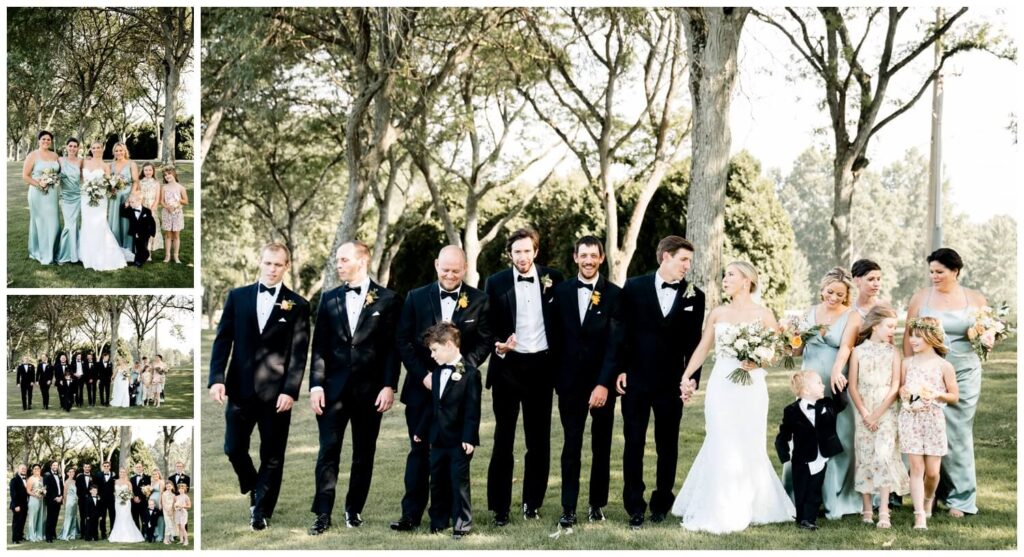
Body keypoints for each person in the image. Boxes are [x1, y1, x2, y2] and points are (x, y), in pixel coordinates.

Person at [672, 261, 795, 534]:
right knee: (720, 436)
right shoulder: (717, 313)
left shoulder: (764, 314)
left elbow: (777, 352)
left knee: (749, 439)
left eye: (730, 275)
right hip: (721, 385)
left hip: (751, 387)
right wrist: (686, 375)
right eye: (724, 275)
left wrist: (759, 361)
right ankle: (719, 503)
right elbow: (703, 347)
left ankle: (752, 502)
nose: (724, 279)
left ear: (747, 280)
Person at [209, 242, 311, 530]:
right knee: (233, 448)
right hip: (239, 389)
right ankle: (253, 484)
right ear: (260, 262)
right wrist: (216, 378)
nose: (272, 269)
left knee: (273, 454)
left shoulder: (299, 305)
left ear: (286, 266)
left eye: (278, 265)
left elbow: (299, 353)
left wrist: (290, 390)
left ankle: (261, 511)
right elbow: (222, 340)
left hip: (277, 394)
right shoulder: (237, 297)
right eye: (268, 263)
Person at [391, 245, 492, 532]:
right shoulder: (416, 297)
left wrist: (461, 369)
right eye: (445, 269)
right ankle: (411, 514)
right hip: (422, 389)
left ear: (465, 269)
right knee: (419, 450)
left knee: (454, 455)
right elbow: (402, 340)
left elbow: (485, 340)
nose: (449, 275)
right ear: (436, 265)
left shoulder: (479, 299)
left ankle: (451, 515)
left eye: (455, 271)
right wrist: (424, 375)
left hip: (458, 396)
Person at [308, 241, 402, 534]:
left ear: (362, 262)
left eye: (344, 259)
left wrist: (389, 386)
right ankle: (322, 514)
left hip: (370, 392)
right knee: (328, 452)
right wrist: (315, 386)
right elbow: (319, 346)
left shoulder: (388, 299)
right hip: (332, 391)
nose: (338, 264)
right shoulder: (329, 298)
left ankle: (353, 510)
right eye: (338, 260)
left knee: (364, 452)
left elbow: (391, 350)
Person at [618, 236, 705, 529]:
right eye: (683, 260)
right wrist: (620, 370)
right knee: (634, 443)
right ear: (665, 256)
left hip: (671, 383)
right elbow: (622, 333)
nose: (687, 266)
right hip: (637, 380)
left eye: (689, 261)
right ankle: (634, 505)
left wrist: (691, 380)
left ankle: (662, 502)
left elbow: (695, 344)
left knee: (668, 445)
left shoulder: (696, 295)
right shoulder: (633, 287)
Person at [483, 227, 564, 525]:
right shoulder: (495, 282)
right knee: (503, 439)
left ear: (536, 251)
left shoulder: (554, 278)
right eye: (517, 252)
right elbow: (487, 324)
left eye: (527, 250)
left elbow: (563, 321)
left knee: (538, 441)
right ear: (510, 254)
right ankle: (500, 508)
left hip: (542, 369)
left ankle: (532, 502)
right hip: (508, 368)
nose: (522, 256)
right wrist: (499, 347)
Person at [904, 248, 987, 518]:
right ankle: (931, 491)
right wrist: (910, 371)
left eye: (939, 272)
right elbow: (909, 336)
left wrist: (988, 339)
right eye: (931, 272)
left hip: (964, 370)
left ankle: (961, 499)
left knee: (958, 432)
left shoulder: (974, 298)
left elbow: (985, 333)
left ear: (955, 271)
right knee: (925, 428)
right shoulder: (921, 297)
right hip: (926, 371)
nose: (934, 276)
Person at [547, 235, 624, 527]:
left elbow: (616, 345)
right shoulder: (561, 292)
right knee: (571, 444)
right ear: (575, 258)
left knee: (601, 445)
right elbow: (554, 339)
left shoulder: (615, 295)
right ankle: (568, 507)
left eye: (594, 255)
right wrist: (558, 380)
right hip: (568, 385)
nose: (589, 260)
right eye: (584, 255)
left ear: (602, 258)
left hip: (601, 384)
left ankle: (596, 504)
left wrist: (604, 384)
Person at [790, 267, 862, 519]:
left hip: (835, 381)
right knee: (806, 439)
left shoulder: (852, 316)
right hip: (808, 382)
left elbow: (846, 347)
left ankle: (837, 498)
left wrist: (834, 373)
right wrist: (792, 339)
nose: (834, 297)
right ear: (822, 290)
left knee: (837, 437)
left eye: (840, 294)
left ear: (846, 295)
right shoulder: (808, 313)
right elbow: (796, 351)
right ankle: (805, 496)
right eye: (830, 292)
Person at [848, 305, 910, 528]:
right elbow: (853, 386)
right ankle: (866, 509)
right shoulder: (857, 352)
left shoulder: (893, 352)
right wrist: (865, 413)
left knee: (883, 455)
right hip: (863, 411)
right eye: (890, 327)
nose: (894, 331)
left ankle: (884, 510)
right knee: (865, 455)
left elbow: (895, 386)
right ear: (875, 326)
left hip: (886, 411)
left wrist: (877, 414)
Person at [422, 323, 482, 539]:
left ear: (448, 345)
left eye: (434, 350)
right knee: (437, 481)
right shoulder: (437, 373)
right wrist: (421, 430)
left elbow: (472, 409)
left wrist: (469, 437)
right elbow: (433, 405)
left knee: (458, 482)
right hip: (437, 438)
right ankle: (438, 521)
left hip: (458, 440)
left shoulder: (470, 374)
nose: (431, 355)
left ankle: (462, 524)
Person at [899, 317, 960, 529]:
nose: (913, 340)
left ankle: (927, 501)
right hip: (911, 419)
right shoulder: (907, 363)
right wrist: (904, 393)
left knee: (932, 472)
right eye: (911, 335)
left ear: (931, 337)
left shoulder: (944, 366)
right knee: (916, 468)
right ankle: (919, 516)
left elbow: (954, 396)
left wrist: (937, 394)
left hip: (934, 420)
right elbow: (900, 388)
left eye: (918, 336)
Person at [775, 372, 847, 531]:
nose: (823, 386)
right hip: (801, 459)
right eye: (819, 383)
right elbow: (783, 434)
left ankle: (809, 519)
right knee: (801, 488)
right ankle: (801, 517)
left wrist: (841, 390)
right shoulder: (791, 411)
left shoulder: (827, 404)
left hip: (821, 456)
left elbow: (841, 404)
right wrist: (784, 454)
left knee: (814, 490)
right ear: (806, 391)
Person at [80, 141, 128, 271]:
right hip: (85, 197)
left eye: (98, 147)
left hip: (100, 199)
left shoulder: (105, 166)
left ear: (102, 149)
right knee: (87, 223)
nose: (96, 150)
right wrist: (86, 189)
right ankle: (87, 254)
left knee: (99, 224)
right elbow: (80, 178)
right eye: (94, 147)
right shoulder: (84, 162)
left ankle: (102, 253)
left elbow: (109, 184)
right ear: (91, 149)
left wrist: (113, 187)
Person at [23, 130, 61, 265]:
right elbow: (25, 176)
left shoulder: (55, 155)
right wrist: (39, 184)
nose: (46, 141)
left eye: (48, 139)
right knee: (39, 221)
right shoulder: (32, 155)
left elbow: (60, 172)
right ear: (39, 140)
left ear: (51, 141)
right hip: (37, 193)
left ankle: (53, 250)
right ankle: (39, 250)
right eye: (43, 139)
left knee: (54, 221)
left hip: (52, 194)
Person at [109, 142, 140, 252]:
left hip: (127, 197)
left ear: (125, 151)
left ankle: (128, 248)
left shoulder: (131, 164)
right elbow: (108, 181)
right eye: (116, 151)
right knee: (115, 221)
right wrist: (111, 188)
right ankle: (115, 247)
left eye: (121, 150)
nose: (119, 152)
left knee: (126, 222)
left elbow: (135, 182)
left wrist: (130, 197)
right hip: (114, 197)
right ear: (114, 152)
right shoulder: (111, 165)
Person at [56, 137, 83, 264]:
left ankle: (75, 253)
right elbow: (53, 174)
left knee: (75, 225)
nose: (72, 148)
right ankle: (65, 254)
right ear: (66, 147)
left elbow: (85, 178)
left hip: (78, 196)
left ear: (78, 148)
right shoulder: (60, 160)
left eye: (75, 146)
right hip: (65, 197)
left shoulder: (80, 161)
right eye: (70, 146)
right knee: (69, 225)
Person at [160, 165, 188, 263]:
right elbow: (161, 201)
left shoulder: (181, 188)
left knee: (176, 235)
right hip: (167, 213)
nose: (167, 176)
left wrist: (178, 201)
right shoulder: (164, 188)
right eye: (165, 175)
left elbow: (186, 201)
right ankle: (167, 255)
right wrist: (167, 207)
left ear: (174, 174)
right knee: (168, 235)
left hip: (177, 213)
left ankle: (176, 256)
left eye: (169, 174)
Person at [121, 192, 158, 267]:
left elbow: (152, 223)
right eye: (130, 202)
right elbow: (122, 213)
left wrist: (152, 234)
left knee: (143, 247)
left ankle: (138, 262)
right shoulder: (130, 210)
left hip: (145, 233)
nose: (130, 204)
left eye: (132, 202)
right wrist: (125, 205)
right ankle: (140, 258)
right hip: (135, 233)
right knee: (138, 247)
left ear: (139, 201)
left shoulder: (147, 211)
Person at [109, 467, 144, 543]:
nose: (122, 473)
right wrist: (118, 498)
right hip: (117, 503)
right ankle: (118, 535)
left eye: (123, 472)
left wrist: (124, 499)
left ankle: (128, 535)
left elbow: (131, 493)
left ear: (125, 473)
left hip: (126, 503)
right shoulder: (115, 482)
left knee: (126, 517)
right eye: (121, 472)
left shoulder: (128, 483)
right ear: (119, 473)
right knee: (119, 517)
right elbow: (114, 492)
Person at [138, 161, 163, 256]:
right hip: (142, 206)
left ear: (153, 171)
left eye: (150, 170)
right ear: (143, 171)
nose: (148, 172)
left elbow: (157, 199)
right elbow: (138, 196)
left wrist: (152, 210)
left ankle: (149, 252)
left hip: (152, 208)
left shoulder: (156, 183)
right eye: (146, 170)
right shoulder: (140, 182)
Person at [44, 461, 65, 542]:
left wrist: (61, 496)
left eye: (56, 465)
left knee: (55, 518)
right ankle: (48, 537)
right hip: (51, 500)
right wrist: (55, 497)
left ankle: (53, 533)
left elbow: (61, 487)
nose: (55, 466)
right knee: (50, 518)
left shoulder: (59, 475)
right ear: (51, 466)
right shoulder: (47, 475)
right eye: (54, 465)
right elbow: (47, 488)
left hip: (59, 500)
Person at [97, 461, 117, 539]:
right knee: (102, 517)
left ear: (110, 467)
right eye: (104, 466)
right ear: (102, 467)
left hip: (111, 499)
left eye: (107, 466)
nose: (106, 467)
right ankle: (103, 533)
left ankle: (112, 532)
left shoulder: (114, 475)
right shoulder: (98, 475)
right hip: (101, 500)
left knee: (112, 516)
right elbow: (95, 485)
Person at [26, 464, 47, 542]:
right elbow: (28, 490)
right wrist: (36, 494)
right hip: (34, 500)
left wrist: (43, 492)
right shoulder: (31, 479)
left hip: (42, 501)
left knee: (41, 517)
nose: (36, 470)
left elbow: (44, 488)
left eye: (38, 468)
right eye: (35, 469)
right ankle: (32, 535)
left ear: (40, 469)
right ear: (32, 470)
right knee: (33, 518)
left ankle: (39, 534)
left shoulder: (42, 478)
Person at [75, 463, 97, 536]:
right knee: (82, 517)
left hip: (91, 501)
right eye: (85, 467)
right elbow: (77, 488)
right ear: (83, 468)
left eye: (88, 467)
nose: (87, 468)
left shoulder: (94, 477)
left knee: (91, 516)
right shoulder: (79, 477)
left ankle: (90, 532)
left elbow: (96, 488)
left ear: (90, 468)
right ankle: (82, 533)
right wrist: (80, 496)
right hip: (82, 500)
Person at [59, 466, 80, 540]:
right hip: (69, 501)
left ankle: (73, 532)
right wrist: (64, 503)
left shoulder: (75, 481)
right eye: (70, 472)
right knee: (68, 517)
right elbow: (64, 494)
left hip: (75, 502)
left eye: (73, 472)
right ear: (67, 473)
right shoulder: (66, 482)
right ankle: (65, 534)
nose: (72, 473)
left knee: (74, 517)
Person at [10, 464, 29, 544]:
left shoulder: (27, 480)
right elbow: (13, 494)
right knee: (16, 522)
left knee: (22, 521)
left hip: (25, 505)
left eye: (25, 468)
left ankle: (20, 536)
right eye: (22, 468)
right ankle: (15, 539)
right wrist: (16, 505)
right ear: (18, 470)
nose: (24, 470)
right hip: (17, 505)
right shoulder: (14, 480)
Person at [129, 463, 151, 530]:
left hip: (143, 502)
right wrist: (134, 497)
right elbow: (130, 490)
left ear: (142, 468)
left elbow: (149, 490)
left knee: (144, 518)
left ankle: (144, 533)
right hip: (134, 502)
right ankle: (137, 533)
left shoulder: (148, 478)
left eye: (139, 467)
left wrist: (140, 498)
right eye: (137, 467)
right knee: (135, 518)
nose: (138, 468)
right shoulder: (132, 479)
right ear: (135, 468)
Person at [149, 468, 165, 541]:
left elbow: (161, 493)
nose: (155, 475)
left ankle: (161, 535)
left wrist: (160, 503)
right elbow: (150, 492)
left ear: (159, 474)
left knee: (160, 518)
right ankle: (155, 533)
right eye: (153, 474)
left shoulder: (161, 482)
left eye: (156, 474)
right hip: (152, 502)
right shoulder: (152, 482)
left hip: (158, 501)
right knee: (153, 518)